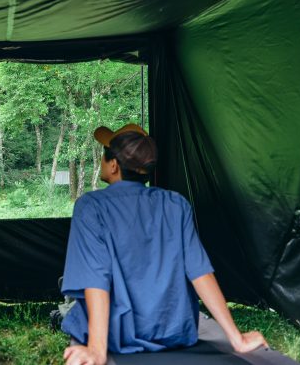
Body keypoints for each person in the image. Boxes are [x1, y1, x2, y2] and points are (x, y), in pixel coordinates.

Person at [61, 124, 268, 365]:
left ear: (114, 165)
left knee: (76, 313)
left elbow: (96, 277)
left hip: (119, 335)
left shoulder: (91, 206)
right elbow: (200, 272)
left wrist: (97, 350)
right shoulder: (175, 204)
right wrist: (237, 339)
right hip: (174, 332)